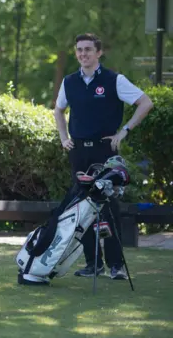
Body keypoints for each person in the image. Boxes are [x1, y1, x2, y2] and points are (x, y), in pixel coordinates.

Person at [53, 33, 153, 280]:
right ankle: (92, 264)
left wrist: (124, 131)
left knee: (108, 205)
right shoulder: (69, 81)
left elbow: (145, 102)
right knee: (81, 205)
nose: (83, 54)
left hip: (104, 150)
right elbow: (58, 109)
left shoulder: (114, 80)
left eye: (88, 49)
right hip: (79, 151)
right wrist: (63, 138)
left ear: (98, 53)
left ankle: (116, 265)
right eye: (79, 50)